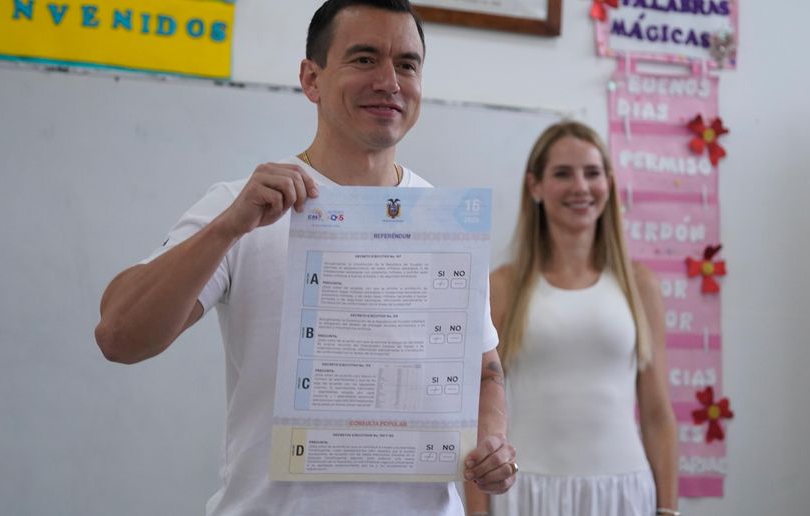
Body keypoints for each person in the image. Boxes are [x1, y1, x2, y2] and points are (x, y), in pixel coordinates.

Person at [94, 1, 516, 514]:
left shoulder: (446, 221)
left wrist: (492, 441)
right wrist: (228, 227)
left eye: (407, 64)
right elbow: (119, 336)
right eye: (365, 59)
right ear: (311, 79)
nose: (390, 81)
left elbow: (484, 370)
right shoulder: (246, 206)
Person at [465, 121, 678, 516]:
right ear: (535, 186)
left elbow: (657, 414)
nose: (580, 187)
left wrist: (668, 511)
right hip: (528, 493)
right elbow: (476, 412)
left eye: (592, 173)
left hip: (624, 492)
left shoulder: (639, 285)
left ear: (608, 183)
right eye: (563, 173)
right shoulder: (503, 286)